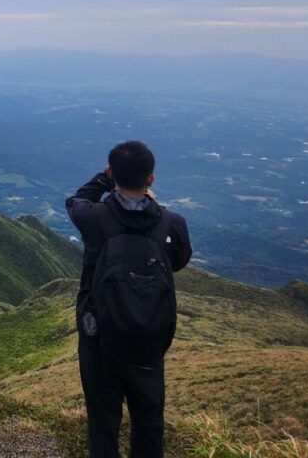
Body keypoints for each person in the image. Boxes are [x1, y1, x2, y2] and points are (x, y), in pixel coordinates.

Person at [66, 140, 192, 458]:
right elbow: (178, 261)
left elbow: (76, 200)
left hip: (99, 337)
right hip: (149, 341)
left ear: (112, 172)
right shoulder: (172, 224)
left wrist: (104, 179)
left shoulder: (94, 217)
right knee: (149, 425)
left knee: (103, 423)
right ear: (151, 178)